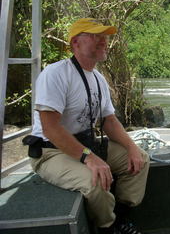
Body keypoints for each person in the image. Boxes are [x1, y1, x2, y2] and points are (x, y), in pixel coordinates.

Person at [28, 18, 150, 234]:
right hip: (51, 151)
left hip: (85, 144)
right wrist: (90, 157)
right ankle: (107, 227)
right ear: (75, 42)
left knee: (141, 158)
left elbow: (109, 121)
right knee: (94, 181)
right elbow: (50, 128)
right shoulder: (55, 74)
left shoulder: (99, 79)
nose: (103, 41)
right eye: (95, 36)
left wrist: (131, 147)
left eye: (104, 36)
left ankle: (119, 219)